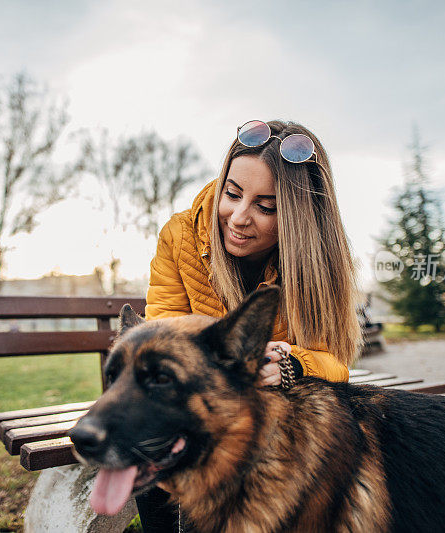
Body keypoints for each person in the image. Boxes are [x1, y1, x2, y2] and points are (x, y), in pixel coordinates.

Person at [136, 119, 361, 532]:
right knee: (157, 434)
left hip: (272, 407)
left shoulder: (316, 262)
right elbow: (161, 340)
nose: (238, 217)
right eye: (233, 194)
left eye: (266, 206)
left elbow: (336, 363)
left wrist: (291, 363)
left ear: (298, 219)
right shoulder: (180, 236)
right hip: (188, 398)